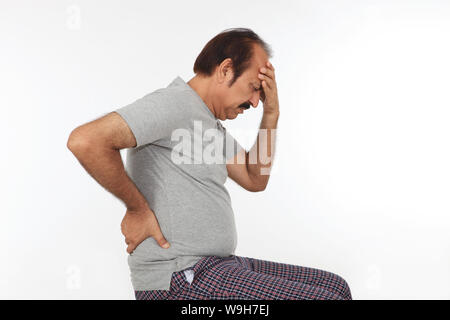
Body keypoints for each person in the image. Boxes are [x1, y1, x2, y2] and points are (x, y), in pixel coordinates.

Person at [67, 28, 352, 300]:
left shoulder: (206, 122)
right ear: (226, 69)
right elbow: (86, 140)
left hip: (217, 266)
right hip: (181, 277)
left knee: (335, 287)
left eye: (260, 94)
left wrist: (272, 112)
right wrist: (137, 209)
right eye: (254, 88)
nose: (255, 102)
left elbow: (256, 178)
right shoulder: (174, 104)